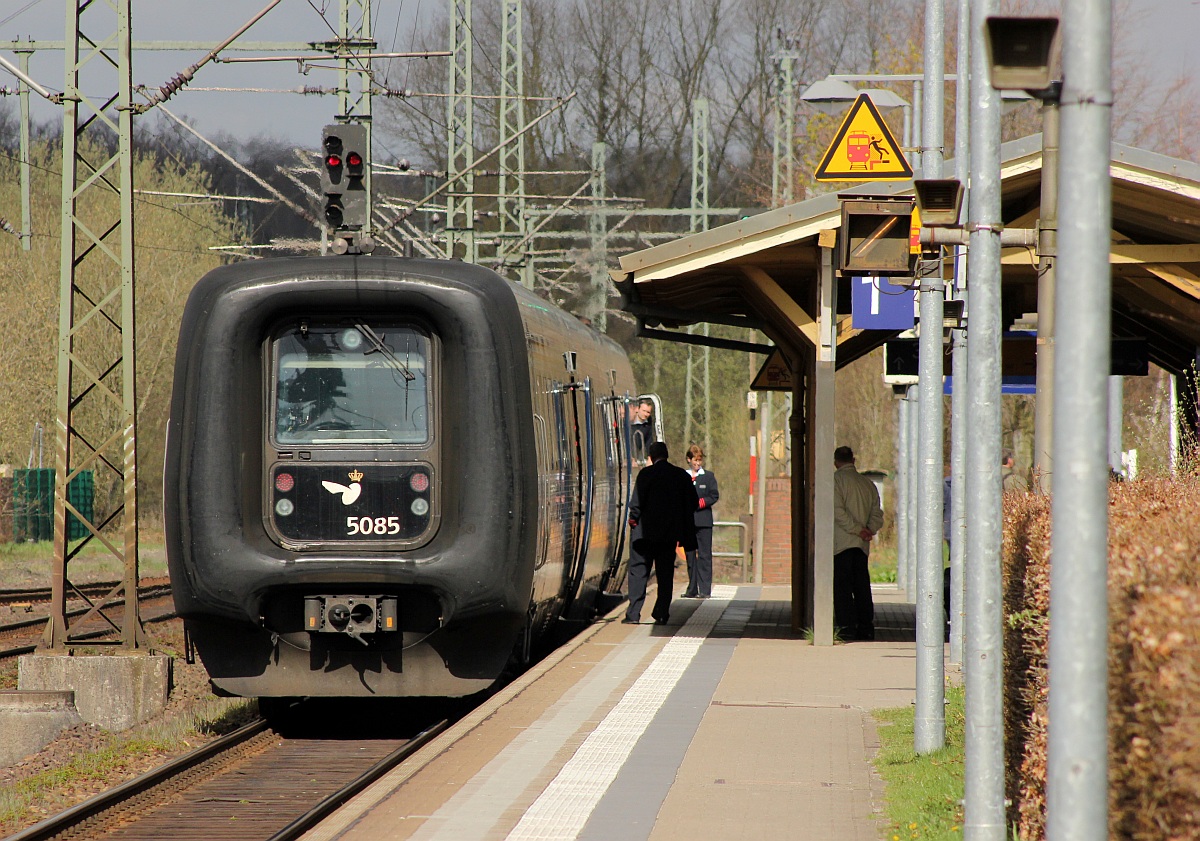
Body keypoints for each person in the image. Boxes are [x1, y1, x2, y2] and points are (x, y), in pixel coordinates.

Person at [624, 441, 699, 625]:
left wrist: (633, 520)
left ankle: (633, 614)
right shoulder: (680, 475)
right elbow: (694, 502)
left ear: (651, 457)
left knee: (638, 572)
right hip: (668, 535)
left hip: (644, 535)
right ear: (667, 455)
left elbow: (636, 504)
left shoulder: (645, 474)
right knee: (665, 575)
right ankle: (661, 612)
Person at [833, 445, 883, 641]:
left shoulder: (835, 482)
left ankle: (846, 627)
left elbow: (837, 512)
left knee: (842, 587)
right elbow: (877, 513)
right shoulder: (867, 484)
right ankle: (866, 627)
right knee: (862, 587)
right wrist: (868, 530)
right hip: (862, 546)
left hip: (841, 544)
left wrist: (856, 530)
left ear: (836, 462)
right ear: (853, 460)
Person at [682, 444, 719, 599]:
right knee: (690, 556)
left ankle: (704, 590)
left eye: (700, 461)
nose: (697, 464)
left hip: (703, 521)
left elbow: (714, 495)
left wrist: (700, 503)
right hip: (688, 522)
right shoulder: (683, 476)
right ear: (688, 460)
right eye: (695, 461)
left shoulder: (708, 477)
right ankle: (692, 588)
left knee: (704, 555)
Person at [629, 399, 656, 463]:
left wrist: (650, 457)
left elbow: (649, 440)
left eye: (648, 412)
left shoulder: (648, 423)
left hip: (639, 452)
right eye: (644, 411)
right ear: (637, 409)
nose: (645, 414)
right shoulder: (630, 421)